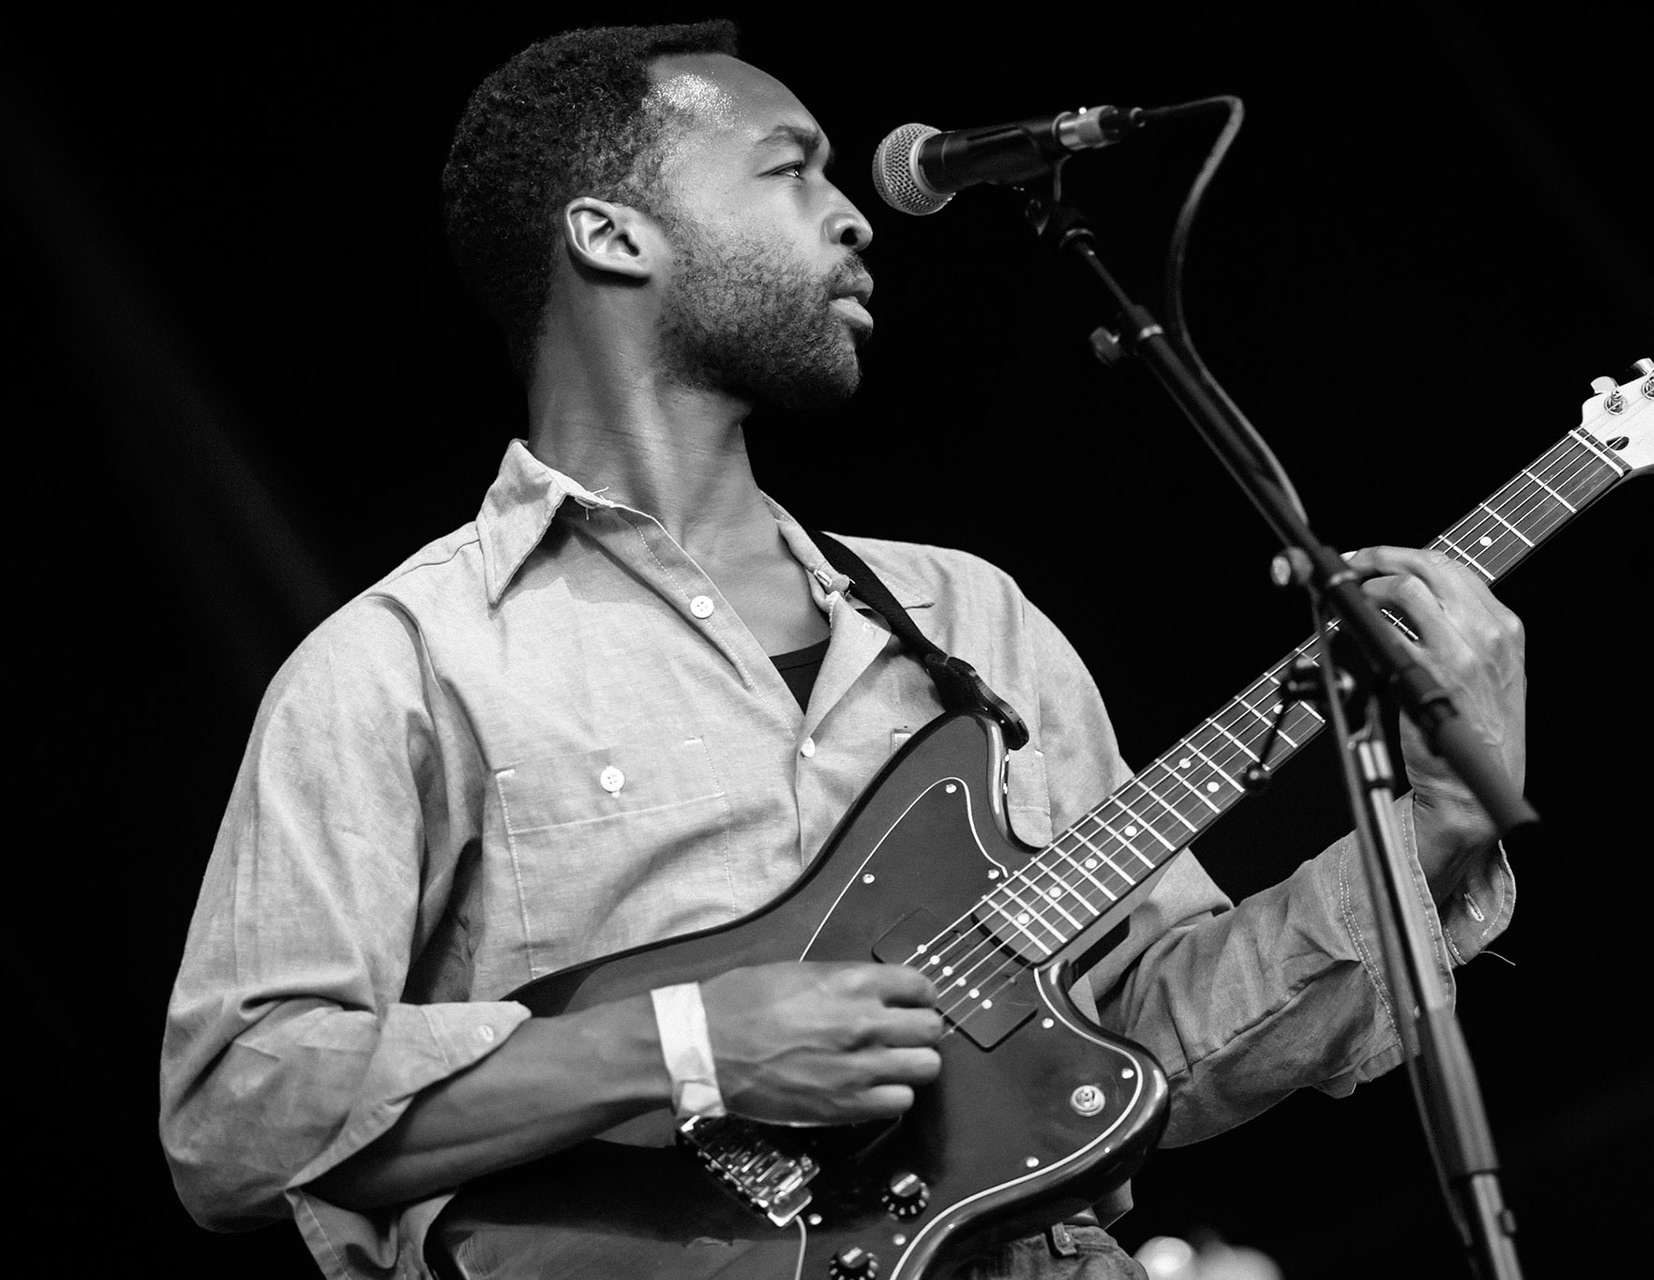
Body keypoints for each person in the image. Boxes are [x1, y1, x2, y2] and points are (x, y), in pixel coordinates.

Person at [159, 20, 1525, 1280]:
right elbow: (236, 1112)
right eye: (789, 167)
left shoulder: (967, 617)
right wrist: (689, 1048)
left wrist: (1442, 827)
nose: (854, 212)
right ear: (611, 234)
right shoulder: (407, 659)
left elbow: (1150, 1045)